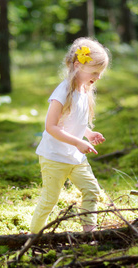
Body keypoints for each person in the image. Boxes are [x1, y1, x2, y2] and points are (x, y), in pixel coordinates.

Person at [30, 37, 110, 233]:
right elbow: (51, 126)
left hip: (75, 158)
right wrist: (77, 142)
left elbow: (74, 121)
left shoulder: (85, 90)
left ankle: (89, 233)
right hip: (54, 157)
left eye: (100, 73)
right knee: (50, 199)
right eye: (94, 72)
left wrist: (88, 134)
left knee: (92, 190)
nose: (98, 77)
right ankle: (33, 237)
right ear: (77, 65)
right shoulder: (63, 91)